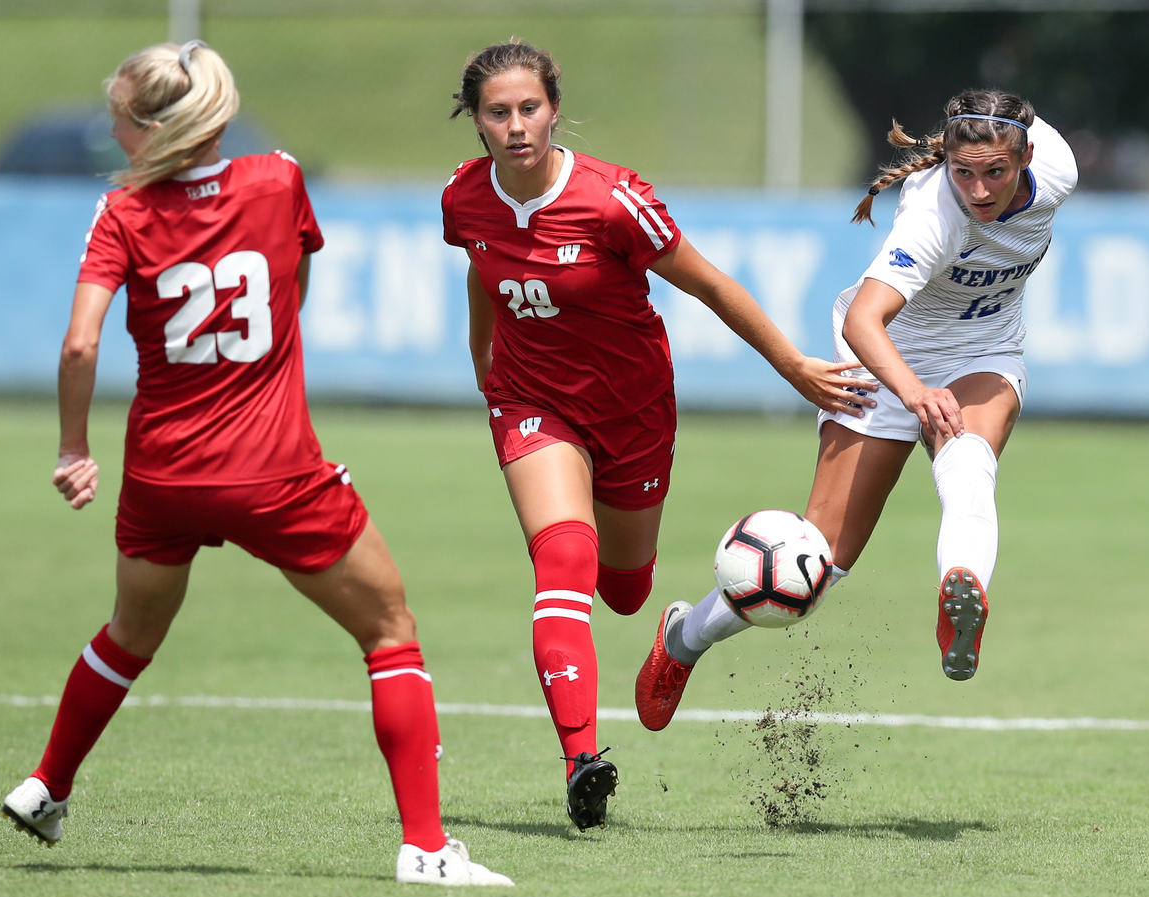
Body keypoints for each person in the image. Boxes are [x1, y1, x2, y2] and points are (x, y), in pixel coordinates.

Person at [0, 41, 511, 888]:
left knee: (130, 633)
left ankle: (46, 784)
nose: (113, 130)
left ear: (155, 128)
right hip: (273, 472)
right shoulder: (276, 177)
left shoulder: (121, 212)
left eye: (119, 117)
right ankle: (426, 848)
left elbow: (80, 341)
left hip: (161, 478)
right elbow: (295, 278)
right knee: (389, 629)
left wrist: (73, 448)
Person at [441, 39, 875, 829]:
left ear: (554, 109)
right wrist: (484, 353)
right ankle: (582, 760)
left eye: (528, 108)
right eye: (497, 112)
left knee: (623, 587)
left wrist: (794, 368)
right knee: (563, 559)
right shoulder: (463, 197)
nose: (515, 126)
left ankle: (674, 631)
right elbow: (480, 262)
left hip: (634, 412)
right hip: (532, 403)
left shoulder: (613, 200)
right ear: (474, 120)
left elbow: (709, 282)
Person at [635, 89, 1078, 730]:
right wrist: (914, 392)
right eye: (964, 172)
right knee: (815, 566)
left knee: (969, 464)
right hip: (883, 358)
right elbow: (868, 321)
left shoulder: (1058, 164)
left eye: (995, 173)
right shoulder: (933, 214)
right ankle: (684, 639)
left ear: (1028, 156)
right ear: (945, 162)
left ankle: (962, 590)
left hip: (984, 348)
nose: (979, 190)